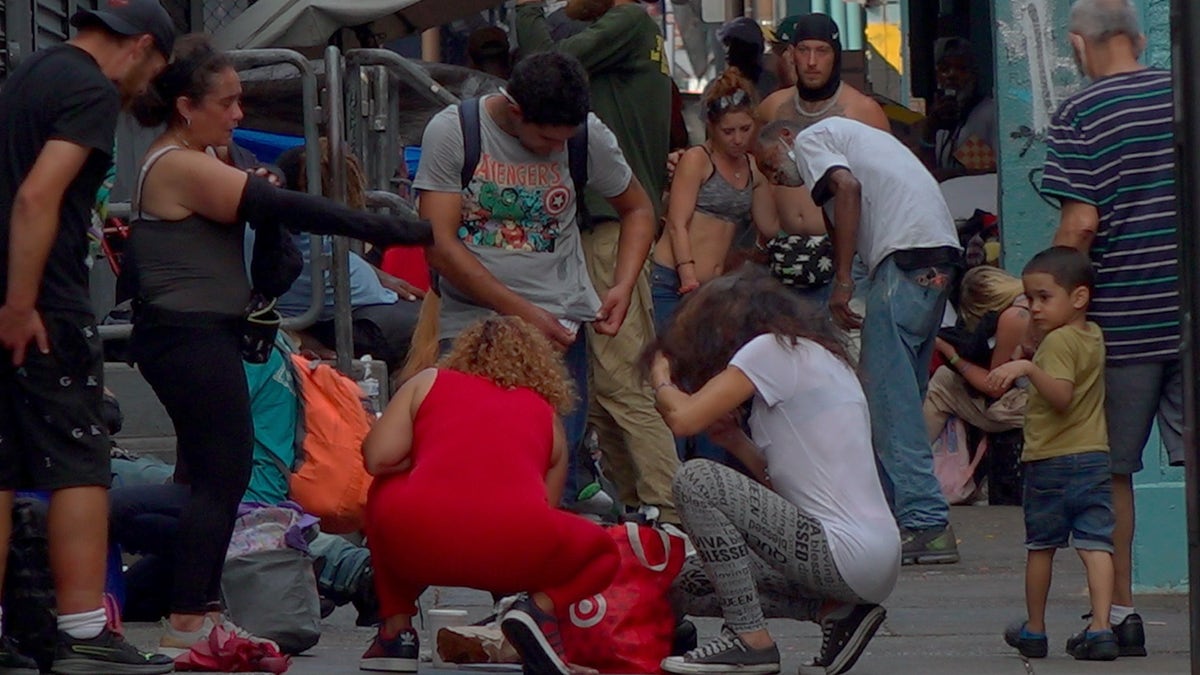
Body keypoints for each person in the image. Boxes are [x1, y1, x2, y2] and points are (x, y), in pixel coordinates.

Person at [127, 34, 431, 654]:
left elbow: (273, 254)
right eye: (230, 102)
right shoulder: (179, 164)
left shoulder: (203, 160)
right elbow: (291, 207)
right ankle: (189, 616)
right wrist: (404, 230)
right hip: (186, 339)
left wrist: (262, 213)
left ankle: (180, 599)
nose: (240, 114)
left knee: (203, 480)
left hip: (201, 336)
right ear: (188, 106)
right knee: (224, 477)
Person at [0, 0, 176, 671]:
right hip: (42, 300)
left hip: (10, 294)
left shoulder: (30, 74)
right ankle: (82, 629)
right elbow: (36, 197)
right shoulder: (89, 90)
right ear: (139, 47)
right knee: (77, 460)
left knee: (4, 468)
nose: (145, 85)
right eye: (153, 67)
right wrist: (23, 301)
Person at [417, 51, 657, 508]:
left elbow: (638, 208)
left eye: (563, 140)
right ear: (515, 110)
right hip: (471, 325)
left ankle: (535, 565)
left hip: (561, 325)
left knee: (552, 465)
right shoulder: (454, 131)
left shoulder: (588, 136)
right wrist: (523, 312)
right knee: (474, 462)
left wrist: (622, 285)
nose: (554, 149)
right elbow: (439, 244)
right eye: (546, 138)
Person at [649, 267, 898, 675]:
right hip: (863, 559)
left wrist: (661, 377)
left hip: (843, 551)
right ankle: (836, 612)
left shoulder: (770, 350)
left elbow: (684, 420)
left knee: (697, 480)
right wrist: (734, 442)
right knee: (685, 584)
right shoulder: (813, 358)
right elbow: (786, 483)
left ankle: (750, 639)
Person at [754, 117, 963, 565]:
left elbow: (848, 190)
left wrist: (843, 282)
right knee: (904, 390)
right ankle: (898, 515)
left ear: (786, 140)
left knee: (890, 400)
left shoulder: (812, 140)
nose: (776, 177)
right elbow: (847, 217)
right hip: (935, 254)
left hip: (906, 257)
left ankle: (926, 522)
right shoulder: (853, 141)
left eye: (770, 163)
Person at [360, 316, 620, 674]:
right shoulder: (548, 416)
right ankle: (538, 612)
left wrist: (422, 454)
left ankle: (396, 633)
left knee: (385, 491)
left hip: (417, 543)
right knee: (605, 551)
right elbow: (546, 506)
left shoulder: (428, 382)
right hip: (511, 556)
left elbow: (377, 458)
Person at [1040, 0, 1174, 656]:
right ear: (1138, 38)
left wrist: (1049, 304)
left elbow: (1080, 224)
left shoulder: (1080, 113)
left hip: (1123, 322)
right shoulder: (1183, 94)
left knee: (1113, 470)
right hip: (1188, 313)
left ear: (1077, 45)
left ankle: (1120, 613)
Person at [514, 0, 681, 521]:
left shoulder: (628, 23)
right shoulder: (633, 36)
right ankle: (642, 507)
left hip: (611, 229)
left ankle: (670, 510)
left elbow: (544, 68)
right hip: (600, 227)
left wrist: (526, 9)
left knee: (621, 378)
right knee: (602, 385)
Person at [989, 247, 1118, 661]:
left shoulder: (1058, 341)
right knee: (1096, 543)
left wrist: (1026, 370)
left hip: (1051, 460)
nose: (1034, 308)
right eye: (1029, 299)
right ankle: (1101, 627)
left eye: (1044, 298)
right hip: (1094, 456)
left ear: (1078, 297)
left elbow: (1061, 396)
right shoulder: (1091, 334)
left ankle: (1036, 629)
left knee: (1041, 546)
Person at [271, 140, 425, 374]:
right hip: (363, 327)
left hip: (373, 314)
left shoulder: (297, 231)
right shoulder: (290, 240)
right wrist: (298, 336)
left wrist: (374, 273)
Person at [925, 266, 1032, 442]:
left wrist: (951, 354)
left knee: (942, 383)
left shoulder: (1014, 316)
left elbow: (995, 387)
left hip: (1035, 406)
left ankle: (913, 460)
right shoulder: (1026, 299)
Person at [918, 38, 998, 179]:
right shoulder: (941, 122)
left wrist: (954, 175)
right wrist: (930, 130)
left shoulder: (989, 113)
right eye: (944, 69)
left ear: (973, 74)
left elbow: (999, 171)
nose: (951, 76)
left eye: (961, 69)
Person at [717, 17, 778, 101]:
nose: (728, 52)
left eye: (736, 46)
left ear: (753, 50)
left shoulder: (771, 85)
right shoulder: (719, 87)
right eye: (726, 45)